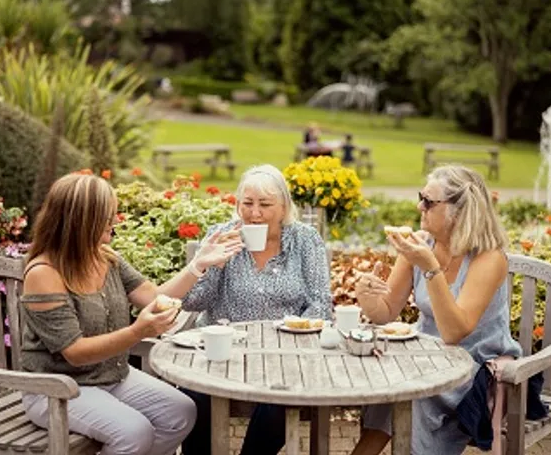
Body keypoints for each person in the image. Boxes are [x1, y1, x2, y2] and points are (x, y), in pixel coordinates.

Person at [20, 172, 243, 455]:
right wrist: (138, 331)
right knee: (134, 432)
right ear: (80, 220)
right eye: (108, 216)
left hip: (111, 376)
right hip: (57, 389)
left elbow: (154, 296)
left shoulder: (105, 257)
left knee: (182, 412)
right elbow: (74, 352)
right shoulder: (44, 273)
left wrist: (199, 264)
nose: (116, 221)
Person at [350, 165, 523, 455]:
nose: (419, 206)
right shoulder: (421, 245)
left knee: (411, 392)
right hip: (425, 356)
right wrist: (367, 298)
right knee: (384, 384)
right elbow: (387, 311)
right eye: (421, 197)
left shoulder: (488, 258)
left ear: (460, 211)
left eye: (429, 202)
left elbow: (455, 332)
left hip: (475, 368)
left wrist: (430, 268)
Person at [180, 164, 332, 455]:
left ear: (284, 206)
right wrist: (213, 265)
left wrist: (293, 335)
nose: (254, 213)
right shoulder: (222, 235)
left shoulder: (305, 240)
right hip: (224, 352)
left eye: (265, 204)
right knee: (193, 398)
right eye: (247, 204)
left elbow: (320, 302)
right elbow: (193, 302)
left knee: (280, 399)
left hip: (284, 355)